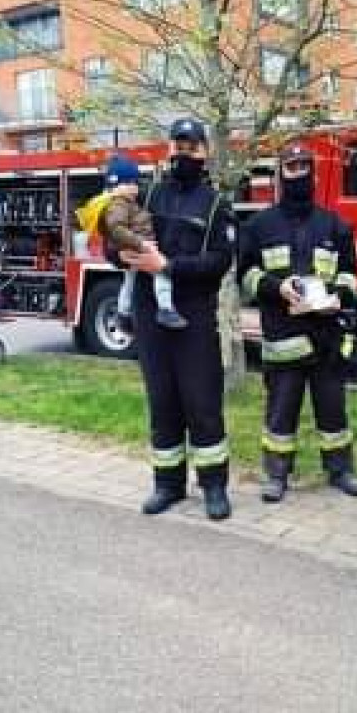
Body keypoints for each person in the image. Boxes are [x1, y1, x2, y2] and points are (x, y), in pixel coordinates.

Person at [238, 144, 357, 503]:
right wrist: (276, 287)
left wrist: (339, 295)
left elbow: (350, 274)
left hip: (327, 338)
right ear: (281, 173)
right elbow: (245, 276)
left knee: (333, 411)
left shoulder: (335, 225)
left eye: (304, 166)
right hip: (283, 337)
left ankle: (341, 470)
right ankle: (277, 475)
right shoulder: (259, 226)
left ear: (313, 172)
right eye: (291, 166)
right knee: (280, 412)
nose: (299, 172)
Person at [119, 118, 235, 521]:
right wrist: (122, 253)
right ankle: (167, 484)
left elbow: (219, 262)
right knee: (162, 402)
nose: (183, 153)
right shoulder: (147, 195)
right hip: (151, 317)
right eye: (177, 145)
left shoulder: (217, 204)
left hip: (194, 318)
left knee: (202, 404)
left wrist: (166, 265)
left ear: (205, 151)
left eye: (191, 146)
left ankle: (214, 486)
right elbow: (111, 239)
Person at [75, 155, 188, 331]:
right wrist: (141, 244)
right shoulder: (119, 204)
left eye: (136, 183)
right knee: (161, 273)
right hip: (140, 248)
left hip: (135, 248)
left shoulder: (125, 202)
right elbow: (116, 229)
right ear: (117, 185)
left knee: (129, 283)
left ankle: (123, 314)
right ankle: (166, 309)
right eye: (131, 183)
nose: (136, 187)